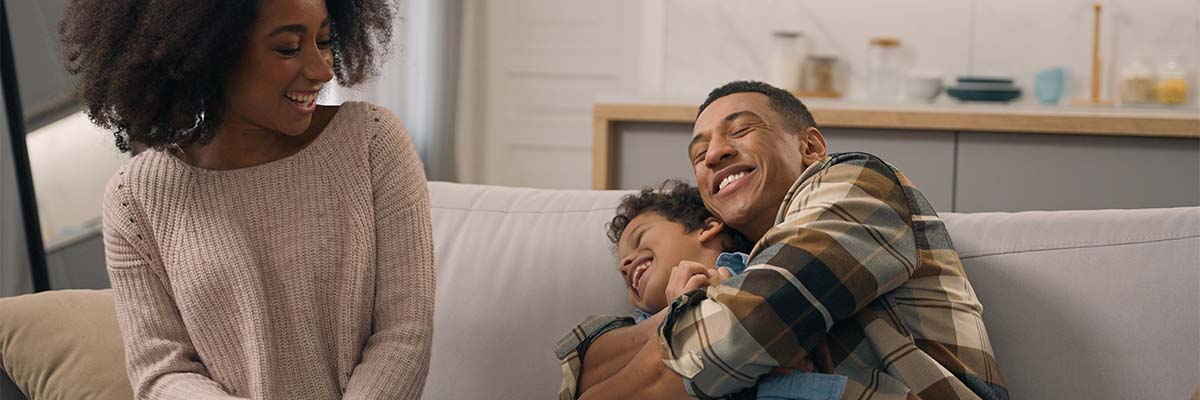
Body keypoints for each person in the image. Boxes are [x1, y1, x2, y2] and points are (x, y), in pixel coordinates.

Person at [61, 0, 434, 398]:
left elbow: (404, 332)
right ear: (212, 51)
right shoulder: (135, 199)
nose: (322, 69)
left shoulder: (371, 142)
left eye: (324, 40)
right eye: (289, 48)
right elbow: (161, 372)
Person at [558, 81, 1007, 400]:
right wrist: (683, 315)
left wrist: (698, 316)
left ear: (810, 148)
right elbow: (584, 368)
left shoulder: (857, 181)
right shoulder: (739, 270)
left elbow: (748, 326)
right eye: (699, 153)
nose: (714, 153)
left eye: (740, 130)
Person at [554, 180, 847, 400]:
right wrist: (679, 313)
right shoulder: (632, 329)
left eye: (640, 238)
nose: (624, 264)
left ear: (708, 227)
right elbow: (584, 379)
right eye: (621, 265)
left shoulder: (766, 269)